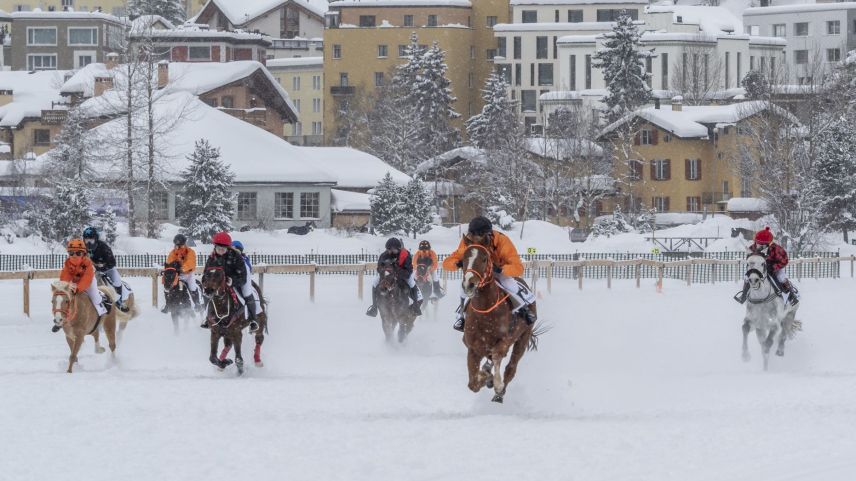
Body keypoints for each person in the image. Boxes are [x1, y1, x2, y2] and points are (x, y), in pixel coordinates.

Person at [443, 216, 536, 332]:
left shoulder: (502, 241)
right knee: (464, 286)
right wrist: (457, 263)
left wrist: (501, 270)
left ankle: (523, 310)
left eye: (479, 237)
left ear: (487, 235)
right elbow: (447, 263)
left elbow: (518, 268)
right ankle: (461, 316)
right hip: (478, 273)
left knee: (509, 284)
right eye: (473, 236)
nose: (475, 240)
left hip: (497, 271)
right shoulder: (468, 241)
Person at [52, 239, 109, 333]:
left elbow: (86, 279)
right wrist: (65, 287)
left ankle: (101, 319)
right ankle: (60, 321)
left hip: (88, 283)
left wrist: (77, 288)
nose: (74, 255)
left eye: (78, 253)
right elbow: (65, 276)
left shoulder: (87, 264)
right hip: (72, 284)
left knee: (96, 299)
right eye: (71, 253)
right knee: (62, 300)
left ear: (83, 254)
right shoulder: (67, 263)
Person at [201, 232, 254, 329]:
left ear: (228, 248)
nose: (220, 251)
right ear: (214, 247)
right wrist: (206, 284)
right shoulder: (212, 258)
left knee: (247, 293)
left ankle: (252, 320)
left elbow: (242, 276)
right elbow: (206, 274)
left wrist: (232, 281)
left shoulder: (236, 257)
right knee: (206, 295)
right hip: (217, 284)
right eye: (218, 249)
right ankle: (207, 318)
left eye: (223, 249)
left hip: (235, 282)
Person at [735, 226, 799, 306]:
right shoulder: (752, 248)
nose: (759, 246)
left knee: (781, 277)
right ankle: (743, 295)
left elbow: (784, 260)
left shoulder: (776, 249)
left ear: (769, 243)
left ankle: (791, 296)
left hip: (774, 268)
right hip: (759, 268)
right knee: (747, 277)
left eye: (763, 245)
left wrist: (774, 267)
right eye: (758, 243)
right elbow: (749, 259)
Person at [365, 238, 423, 317]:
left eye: (394, 249)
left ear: (399, 249)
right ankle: (374, 308)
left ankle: (416, 306)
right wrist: (384, 269)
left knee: (412, 283)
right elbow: (379, 268)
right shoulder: (384, 255)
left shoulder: (405, 255)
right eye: (389, 249)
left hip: (403, 274)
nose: (391, 251)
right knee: (375, 283)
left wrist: (397, 269)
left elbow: (408, 272)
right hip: (387, 274)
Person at [82, 226, 129, 312]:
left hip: (107, 269)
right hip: (90, 271)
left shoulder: (104, 247)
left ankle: (119, 302)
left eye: (91, 240)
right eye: (86, 240)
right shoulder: (82, 248)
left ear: (96, 239)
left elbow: (112, 262)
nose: (88, 243)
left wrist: (102, 267)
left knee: (117, 280)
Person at [162, 233, 202, 313]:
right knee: (167, 286)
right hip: (177, 275)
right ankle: (168, 305)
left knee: (192, 287)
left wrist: (182, 268)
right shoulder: (173, 253)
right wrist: (169, 271)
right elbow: (169, 262)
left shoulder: (190, 252)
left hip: (188, 274)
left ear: (184, 244)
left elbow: (191, 262)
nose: (179, 247)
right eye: (177, 245)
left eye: (181, 245)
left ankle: (197, 304)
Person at [231, 240, 260, 333]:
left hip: (242, 282)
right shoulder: (227, 259)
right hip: (229, 282)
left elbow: (248, 270)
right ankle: (207, 318)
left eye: (236, 251)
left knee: (248, 295)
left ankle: (253, 320)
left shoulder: (244, 259)